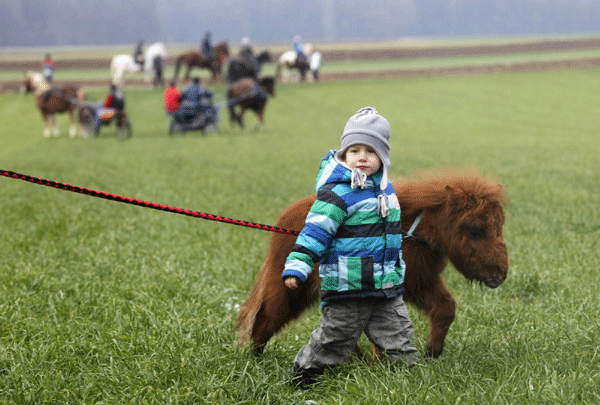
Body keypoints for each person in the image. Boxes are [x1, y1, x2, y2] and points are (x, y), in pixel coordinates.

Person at [282, 106, 419, 390]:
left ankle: (408, 379)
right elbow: (314, 232)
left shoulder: (385, 190)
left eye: (370, 151)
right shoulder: (338, 194)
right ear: (344, 155)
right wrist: (298, 265)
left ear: (382, 158)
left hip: (385, 285)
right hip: (349, 285)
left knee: (399, 332)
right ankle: (303, 374)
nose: (362, 157)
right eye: (354, 150)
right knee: (335, 337)